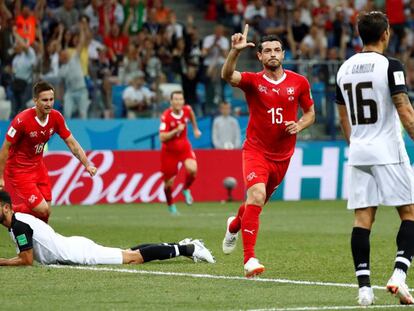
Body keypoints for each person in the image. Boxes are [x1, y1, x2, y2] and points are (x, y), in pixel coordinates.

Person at [221, 26, 315, 277]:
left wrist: (300, 124)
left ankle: (234, 225)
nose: (272, 54)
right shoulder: (253, 81)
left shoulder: (299, 82)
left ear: (283, 54)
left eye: (276, 50)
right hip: (255, 151)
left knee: (256, 203)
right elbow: (228, 75)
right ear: (260, 57)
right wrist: (234, 52)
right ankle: (249, 259)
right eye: (267, 51)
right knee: (257, 195)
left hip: (282, 157)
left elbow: (310, 114)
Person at [336, 11, 414, 306]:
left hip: (359, 150)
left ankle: (364, 289)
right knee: (410, 213)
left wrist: (356, 145)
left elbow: (343, 116)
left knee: (363, 218)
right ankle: (398, 274)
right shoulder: (390, 66)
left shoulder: (344, 68)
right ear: (385, 34)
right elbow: (404, 109)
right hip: (387, 150)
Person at [0, 190, 215, 266]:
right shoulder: (17, 223)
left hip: (78, 254)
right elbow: (25, 255)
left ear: (7, 208)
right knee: (130, 253)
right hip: (72, 248)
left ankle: (189, 249)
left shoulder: (19, 225)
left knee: (133, 258)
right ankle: (182, 246)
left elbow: (26, 260)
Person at [0, 80, 97, 223]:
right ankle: (9, 211)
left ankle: (40, 242)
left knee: (45, 214)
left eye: (51, 99)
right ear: (35, 101)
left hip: (38, 166)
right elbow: (5, 148)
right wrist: (0, 176)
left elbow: (72, 143)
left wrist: (87, 164)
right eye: (44, 100)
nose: (49, 103)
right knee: (42, 209)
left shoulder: (56, 117)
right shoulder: (22, 120)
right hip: (19, 170)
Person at [159, 90, 202, 215]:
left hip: (184, 147)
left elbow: (192, 114)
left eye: (180, 99)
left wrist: (195, 129)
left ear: (183, 101)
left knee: (193, 169)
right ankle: (171, 205)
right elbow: (162, 137)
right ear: (171, 102)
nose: (178, 102)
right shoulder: (166, 116)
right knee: (168, 183)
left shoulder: (187, 110)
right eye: (175, 99)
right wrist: (175, 130)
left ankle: (186, 189)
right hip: (169, 152)